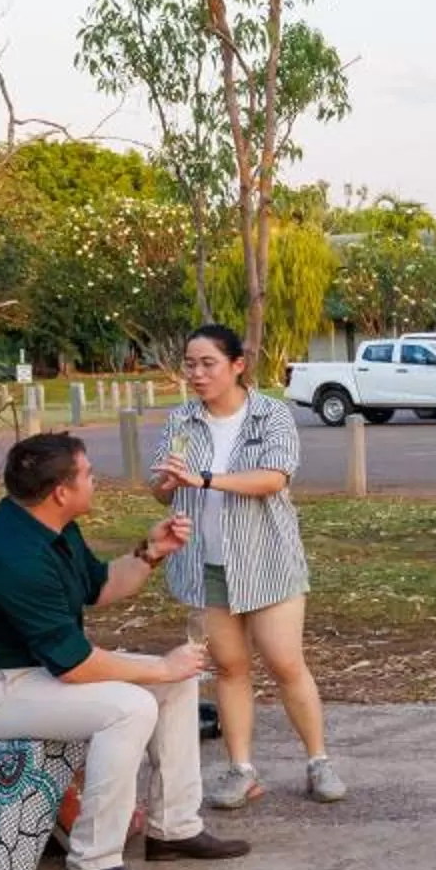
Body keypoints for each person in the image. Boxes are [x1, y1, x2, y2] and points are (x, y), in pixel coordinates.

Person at [0, 433, 248, 870]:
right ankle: (92, 864)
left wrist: (151, 552)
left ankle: (174, 829)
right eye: (88, 475)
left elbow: (99, 587)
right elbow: (75, 665)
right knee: (131, 706)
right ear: (62, 491)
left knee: (174, 684)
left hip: (28, 673)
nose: (95, 482)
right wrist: (159, 668)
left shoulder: (50, 526)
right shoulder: (12, 555)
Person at [149, 323, 342, 809]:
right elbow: (161, 486)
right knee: (229, 668)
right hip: (204, 564)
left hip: (267, 562)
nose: (197, 374)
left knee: (284, 662)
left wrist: (206, 478)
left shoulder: (270, 415)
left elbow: (273, 479)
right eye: (190, 364)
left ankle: (318, 761)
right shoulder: (182, 421)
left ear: (237, 366)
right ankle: (241, 770)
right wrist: (168, 484)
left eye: (208, 363)